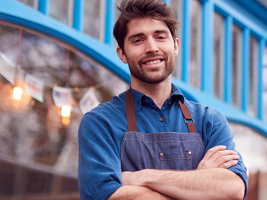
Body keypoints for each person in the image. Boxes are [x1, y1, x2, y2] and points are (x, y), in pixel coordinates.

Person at [77, 0, 247, 199]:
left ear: (175, 45)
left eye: (160, 37)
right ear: (122, 53)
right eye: (138, 40)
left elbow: (232, 190)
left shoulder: (209, 121)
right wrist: (199, 182)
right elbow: (107, 196)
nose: (151, 47)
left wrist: (142, 177)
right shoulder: (100, 122)